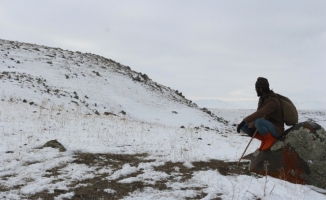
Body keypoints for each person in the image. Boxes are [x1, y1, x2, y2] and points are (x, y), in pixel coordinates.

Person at [237, 77, 284, 151]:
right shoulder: (262, 98)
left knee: (258, 121)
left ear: (260, 89)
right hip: (268, 126)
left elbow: (260, 113)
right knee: (244, 127)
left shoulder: (273, 101)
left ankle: (270, 139)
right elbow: (258, 112)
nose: (255, 90)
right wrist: (251, 126)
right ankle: (264, 139)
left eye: (256, 88)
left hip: (276, 129)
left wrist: (244, 121)